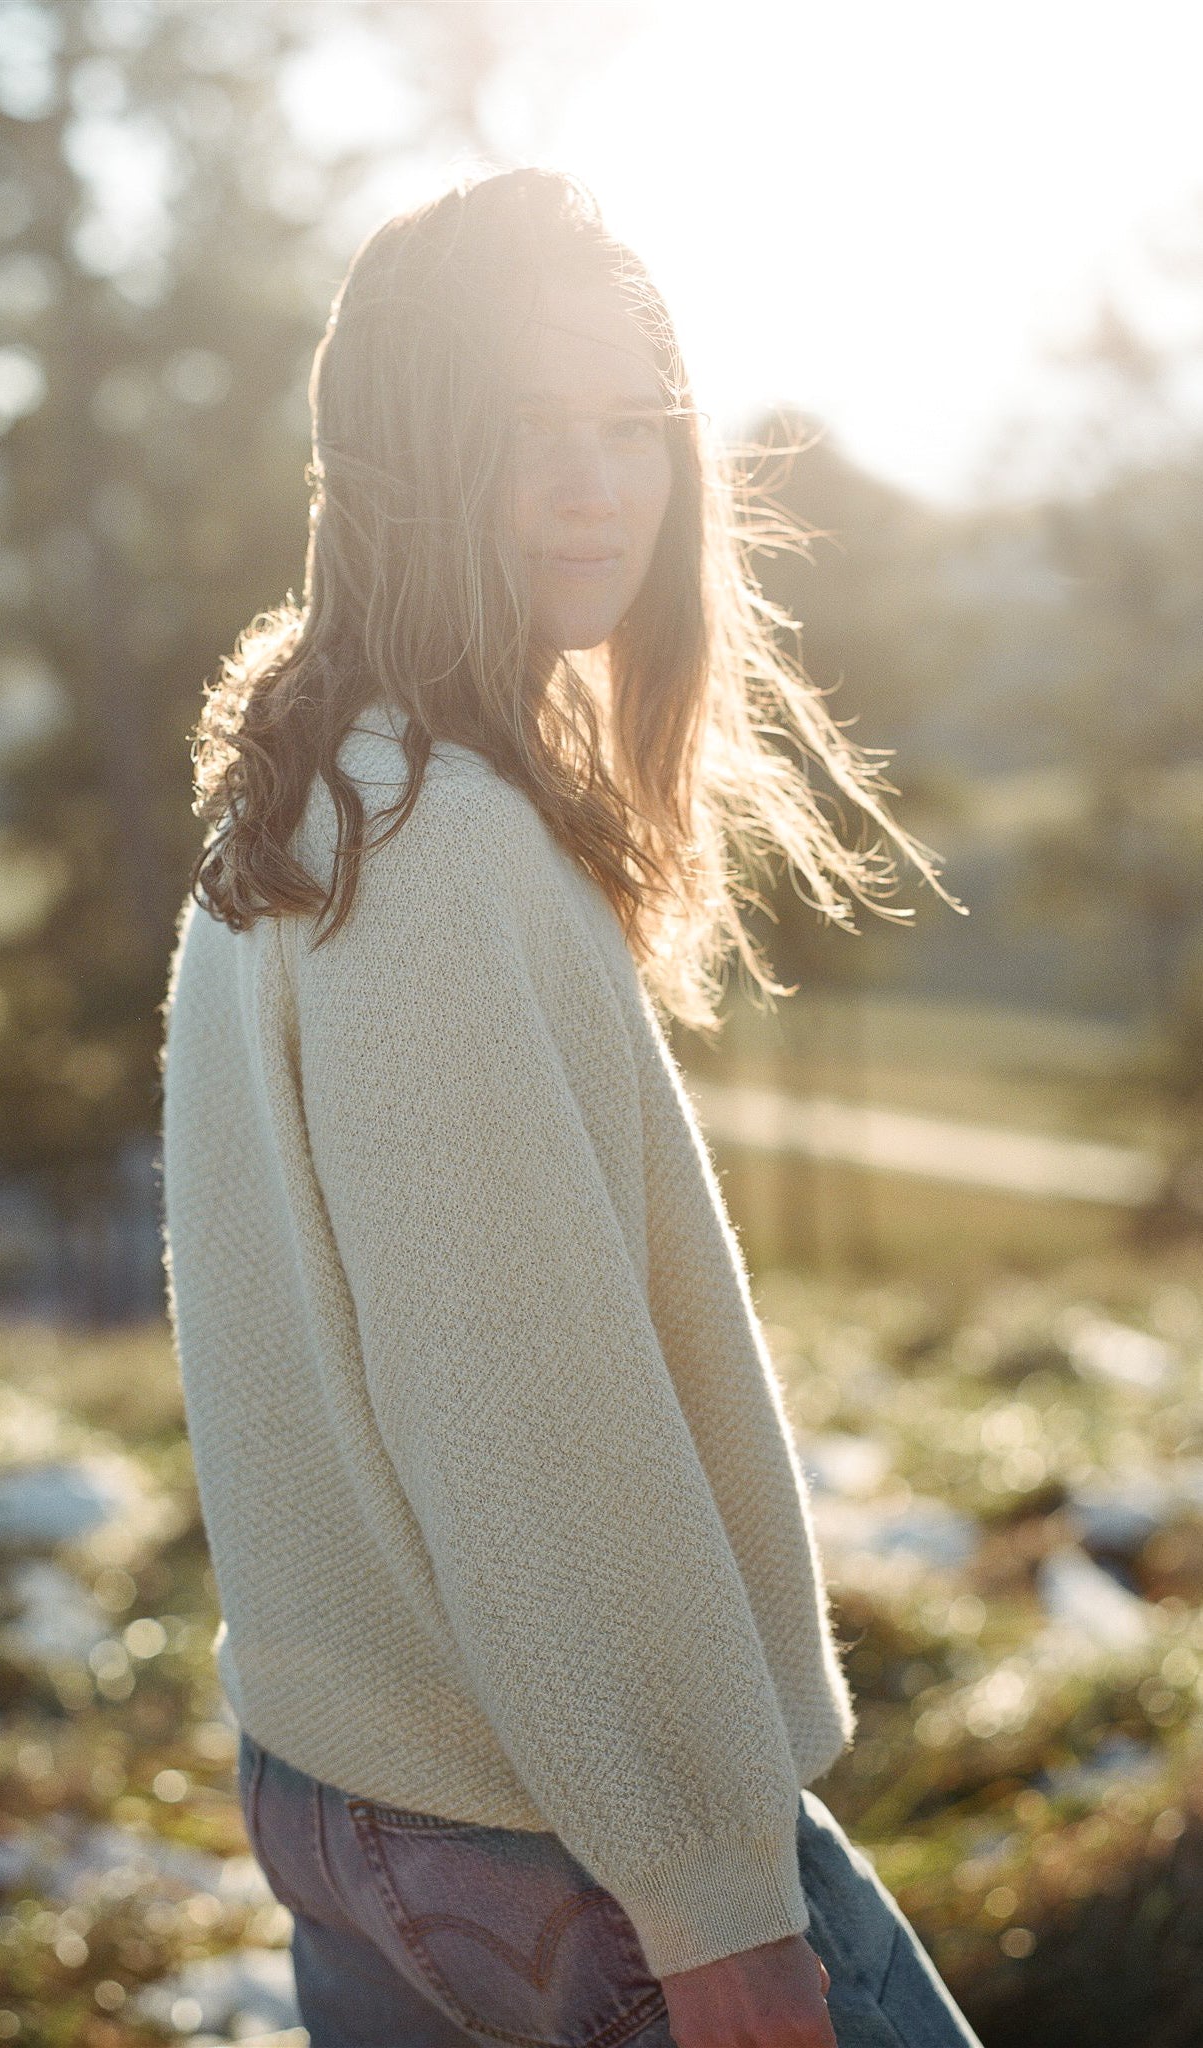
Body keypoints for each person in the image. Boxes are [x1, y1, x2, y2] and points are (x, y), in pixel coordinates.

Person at [160, 167, 982, 2048]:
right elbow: (529, 1413)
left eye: (633, 428)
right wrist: (713, 1899)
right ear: (399, 461)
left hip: (345, 1790)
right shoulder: (429, 845)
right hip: (567, 1855)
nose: (599, 486)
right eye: (526, 435)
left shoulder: (308, 801)